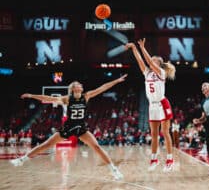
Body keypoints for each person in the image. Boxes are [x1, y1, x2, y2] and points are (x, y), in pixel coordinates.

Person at [10, 74, 127, 180]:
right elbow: (47, 98)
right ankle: (21, 159)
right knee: (46, 145)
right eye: (78, 84)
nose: (81, 85)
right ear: (73, 88)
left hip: (81, 128)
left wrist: (116, 80)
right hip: (68, 127)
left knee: (96, 147)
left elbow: (103, 87)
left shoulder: (86, 96)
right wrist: (31, 95)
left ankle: (114, 170)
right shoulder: (66, 99)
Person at [126, 38, 176, 172]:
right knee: (154, 134)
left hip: (162, 103)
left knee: (165, 132)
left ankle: (170, 160)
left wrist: (142, 48)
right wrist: (134, 48)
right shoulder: (147, 73)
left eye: (154, 60)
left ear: (158, 64)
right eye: (152, 59)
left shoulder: (161, 73)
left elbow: (147, 61)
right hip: (152, 106)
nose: (151, 61)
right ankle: (154, 159)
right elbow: (141, 61)